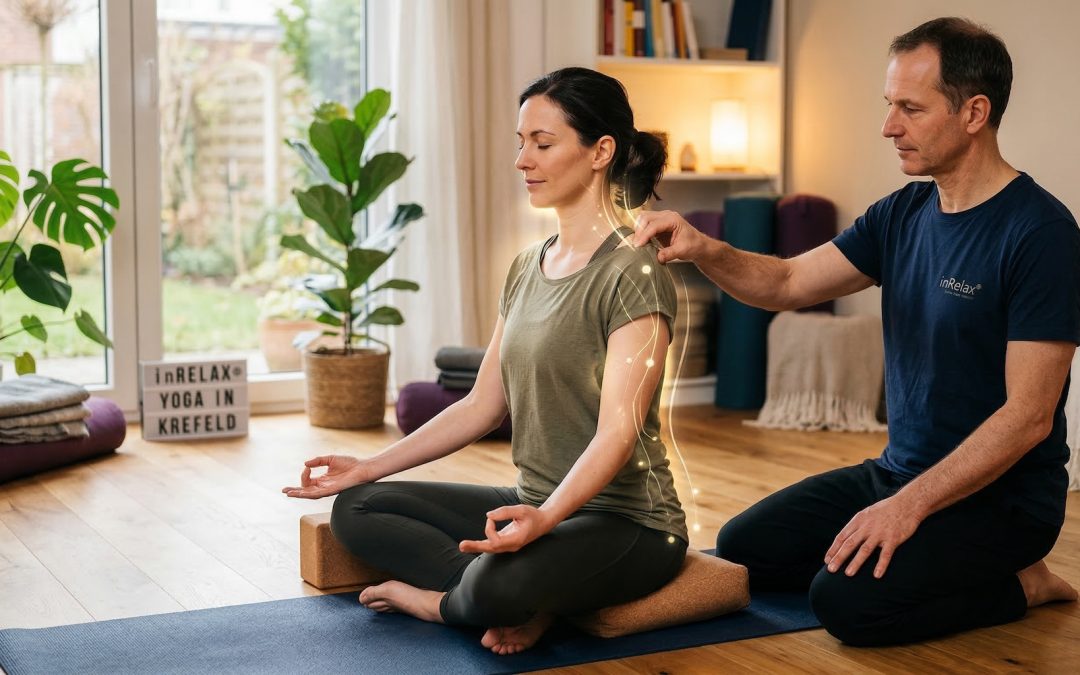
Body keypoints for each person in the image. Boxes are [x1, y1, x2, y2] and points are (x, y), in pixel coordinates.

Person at [632, 17, 1080, 646]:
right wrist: (704, 248)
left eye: (910, 108)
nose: (888, 126)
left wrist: (907, 509)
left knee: (847, 604)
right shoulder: (903, 213)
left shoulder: (1040, 235)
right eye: (888, 105)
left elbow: (1028, 417)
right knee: (743, 548)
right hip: (898, 470)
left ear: (974, 112)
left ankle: (1025, 582)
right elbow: (786, 283)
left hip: (1001, 502)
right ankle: (921, 557)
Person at [283, 67, 688, 655]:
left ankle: (452, 602)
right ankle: (519, 597)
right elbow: (480, 405)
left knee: (503, 581)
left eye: (543, 144)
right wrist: (368, 466)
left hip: (630, 524)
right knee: (358, 508)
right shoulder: (528, 265)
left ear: (601, 151)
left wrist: (546, 522)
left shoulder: (635, 273)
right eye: (521, 143)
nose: (524, 159)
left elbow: (617, 435)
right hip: (532, 499)